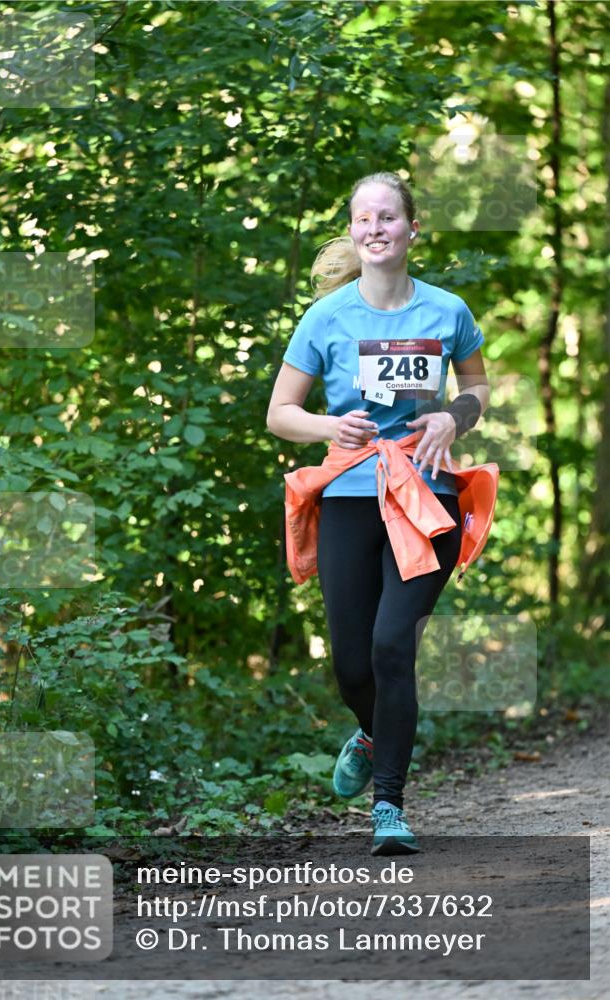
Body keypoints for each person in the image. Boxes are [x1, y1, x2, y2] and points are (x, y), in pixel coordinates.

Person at [266, 171, 490, 856]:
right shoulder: (326, 318)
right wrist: (330, 427)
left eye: (387, 218)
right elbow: (280, 414)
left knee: (394, 646)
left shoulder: (445, 310)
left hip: (427, 499)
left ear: (410, 229)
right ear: (353, 230)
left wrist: (453, 418)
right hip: (349, 497)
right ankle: (369, 732)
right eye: (363, 219)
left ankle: (388, 805)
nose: (374, 229)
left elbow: (477, 386)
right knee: (352, 664)